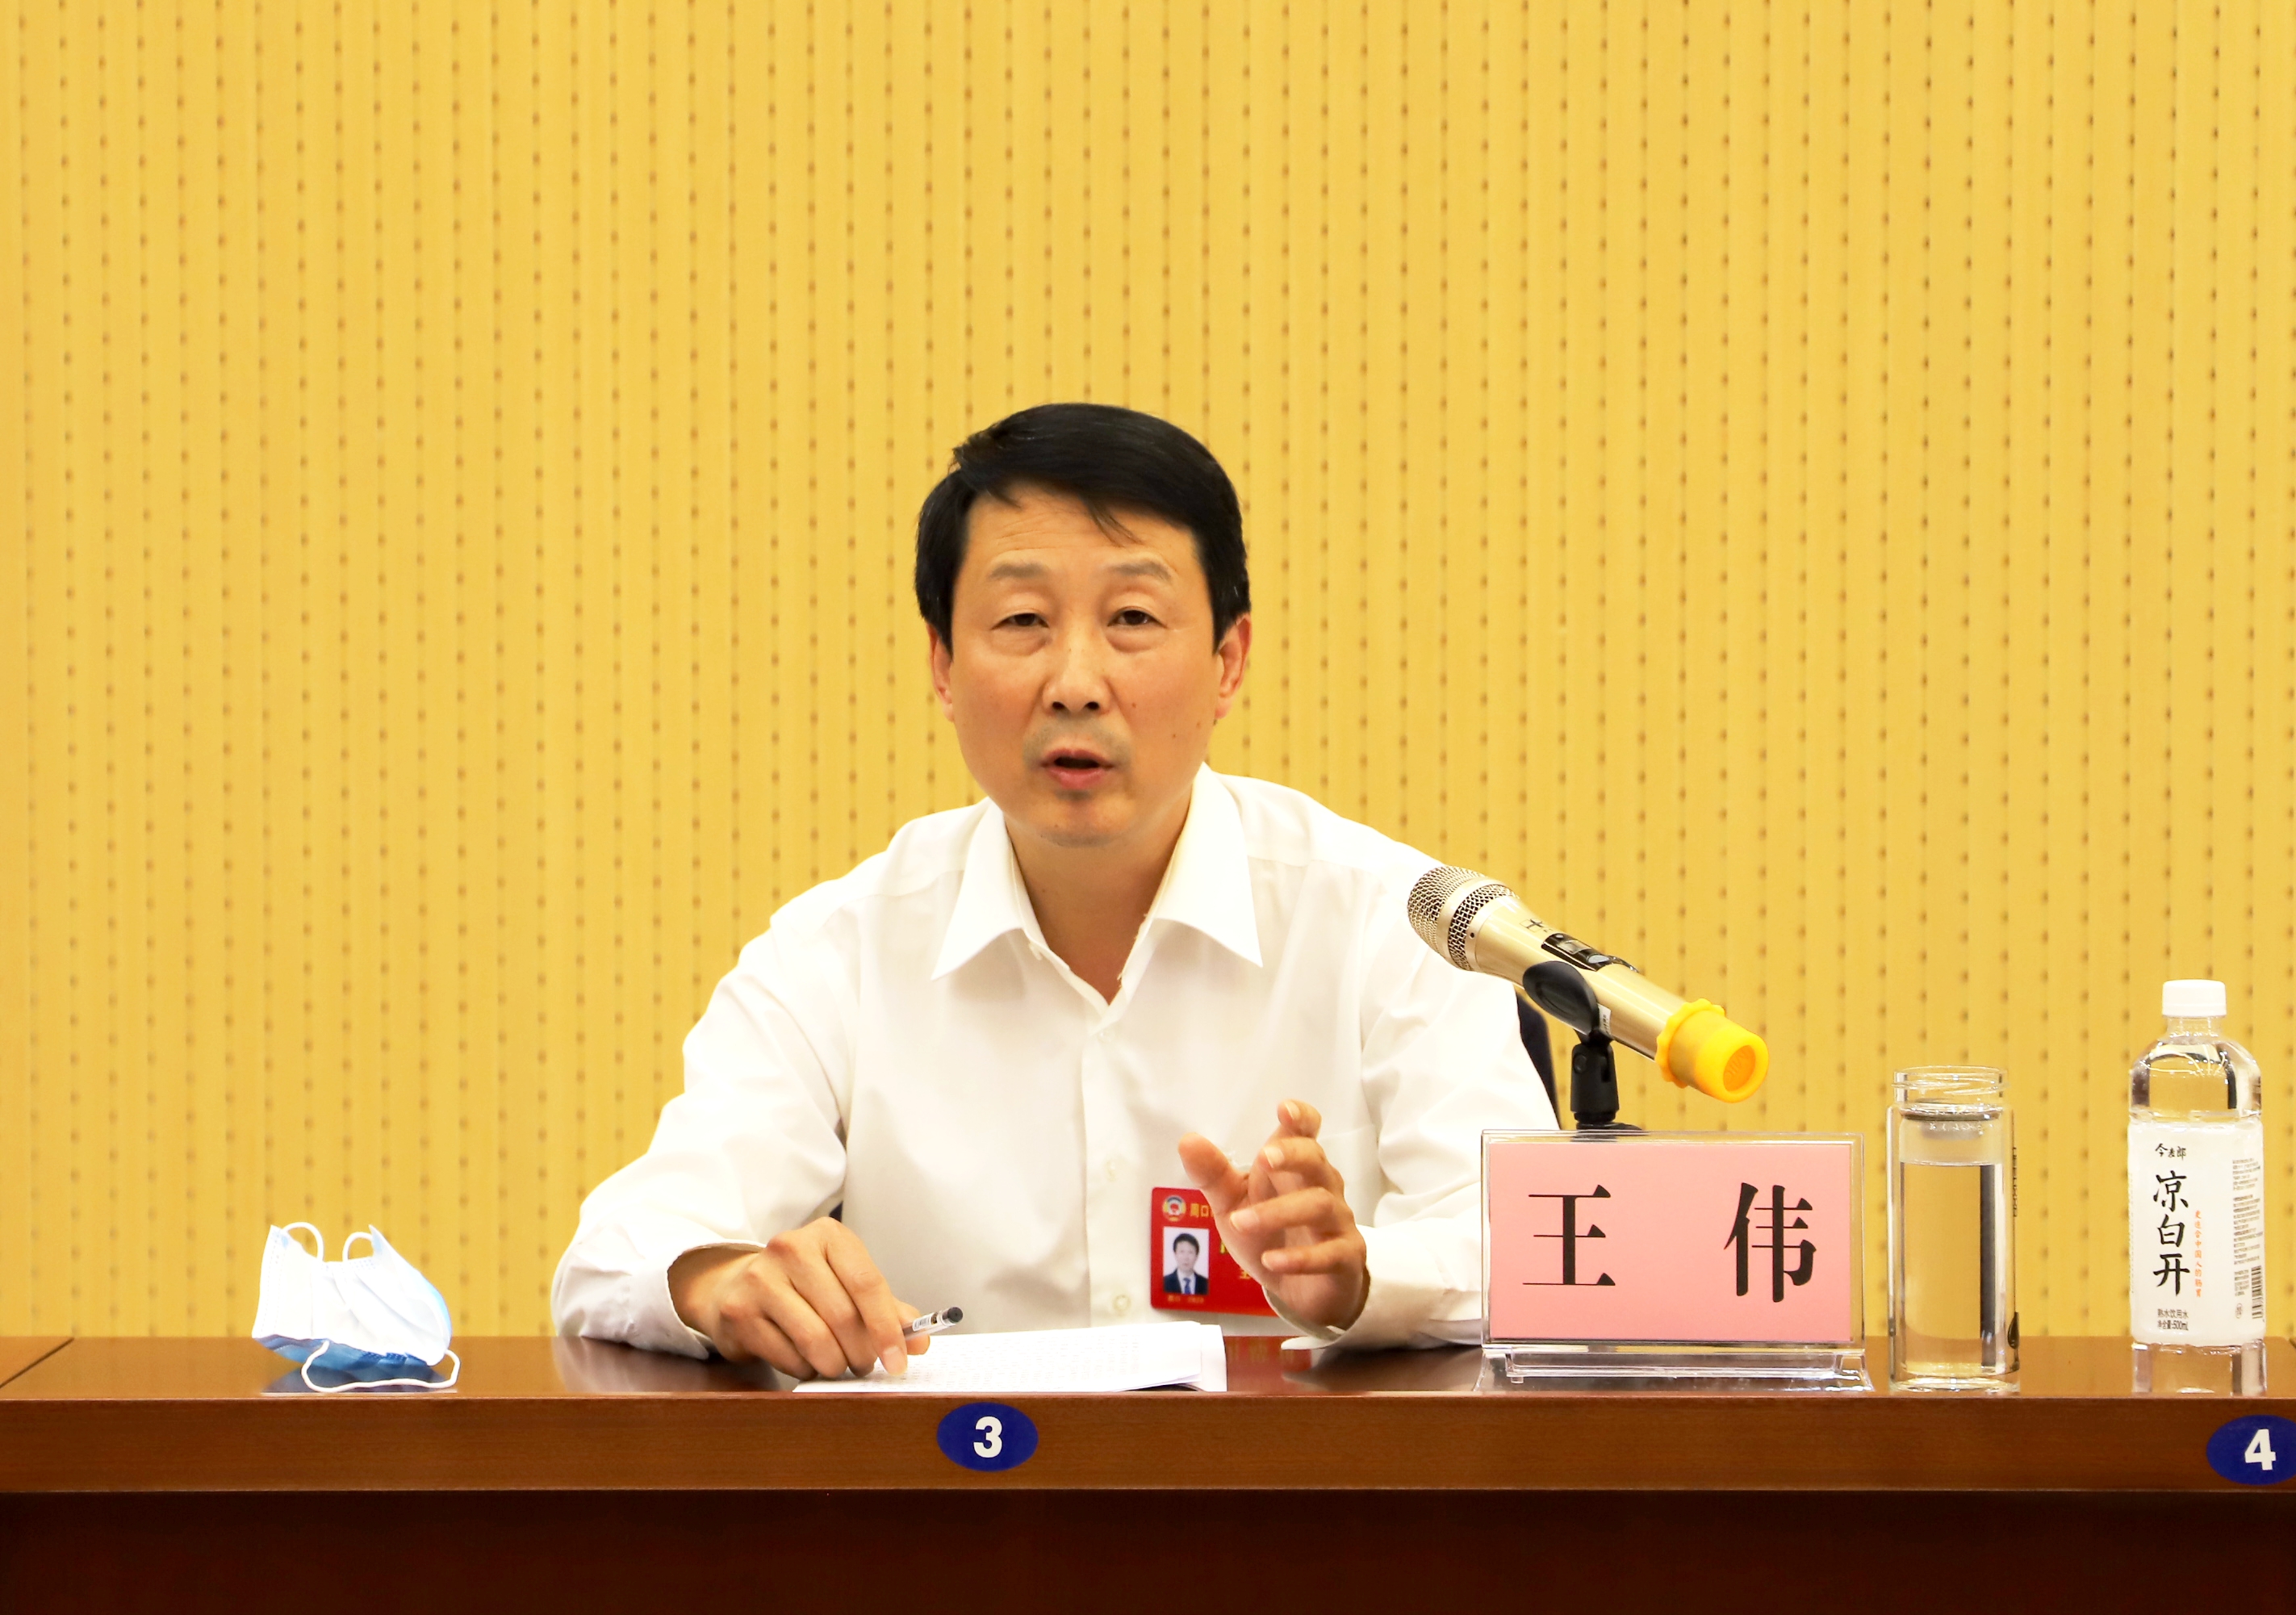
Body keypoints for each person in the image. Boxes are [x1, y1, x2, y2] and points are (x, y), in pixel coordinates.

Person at [552, 403, 1557, 1380]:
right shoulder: (838, 951)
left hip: (1304, 1492)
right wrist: (717, 1280)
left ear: (1228, 662)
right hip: (961, 1484)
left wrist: (1361, 1277)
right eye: (1022, 621)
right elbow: (617, 1256)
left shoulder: (1392, 923)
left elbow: (1533, 1255)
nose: (1075, 681)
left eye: (1132, 619)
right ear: (943, 666)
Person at [1164, 1232, 1208, 1296]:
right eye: (1182, 1252)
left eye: (1190, 1252)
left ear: (1196, 1256)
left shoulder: (1206, 1284)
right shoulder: (1164, 1282)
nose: (1186, 1258)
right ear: (1175, 1254)